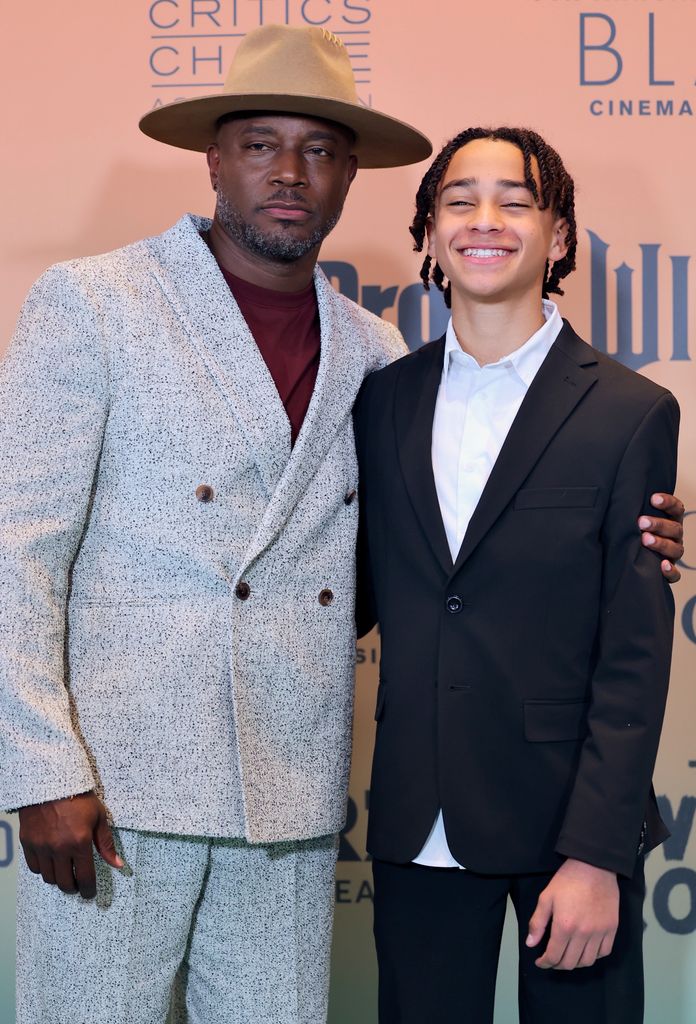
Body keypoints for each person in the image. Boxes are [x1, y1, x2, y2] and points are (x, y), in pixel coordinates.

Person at [0, 25, 432, 1024]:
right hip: (111, 789)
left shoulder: (377, 350)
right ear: (214, 159)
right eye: (260, 144)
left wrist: (615, 532)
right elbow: (18, 553)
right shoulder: (96, 303)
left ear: (350, 174)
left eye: (319, 149)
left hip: (285, 791)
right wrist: (40, 768)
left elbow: (434, 543)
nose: (290, 172)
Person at [354, 126, 682, 1024]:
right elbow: (353, 588)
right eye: (458, 200)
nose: (484, 220)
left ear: (560, 234)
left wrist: (597, 855)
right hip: (418, 818)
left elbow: (634, 660)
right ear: (427, 233)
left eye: (516, 200)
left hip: (566, 828)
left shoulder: (630, 411)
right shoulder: (383, 399)